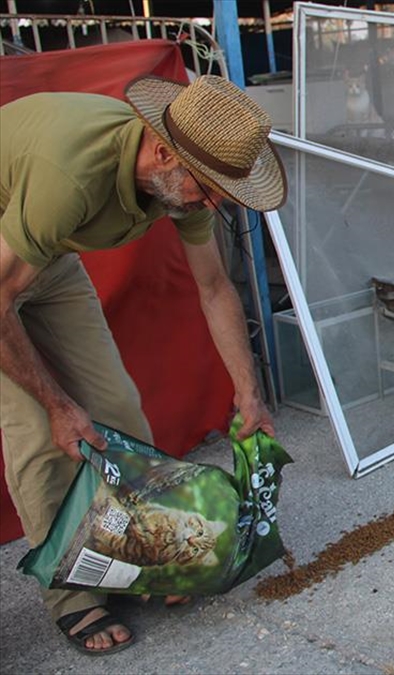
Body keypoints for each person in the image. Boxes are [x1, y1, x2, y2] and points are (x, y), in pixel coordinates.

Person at [0, 75, 286, 655]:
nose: (211, 206)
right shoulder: (71, 176)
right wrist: (57, 404)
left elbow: (213, 287)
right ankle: (73, 596)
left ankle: (133, 557)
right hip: (11, 248)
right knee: (41, 434)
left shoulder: (184, 173)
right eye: (207, 193)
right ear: (162, 153)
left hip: (45, 253)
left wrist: (248, 394)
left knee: (116, 409)